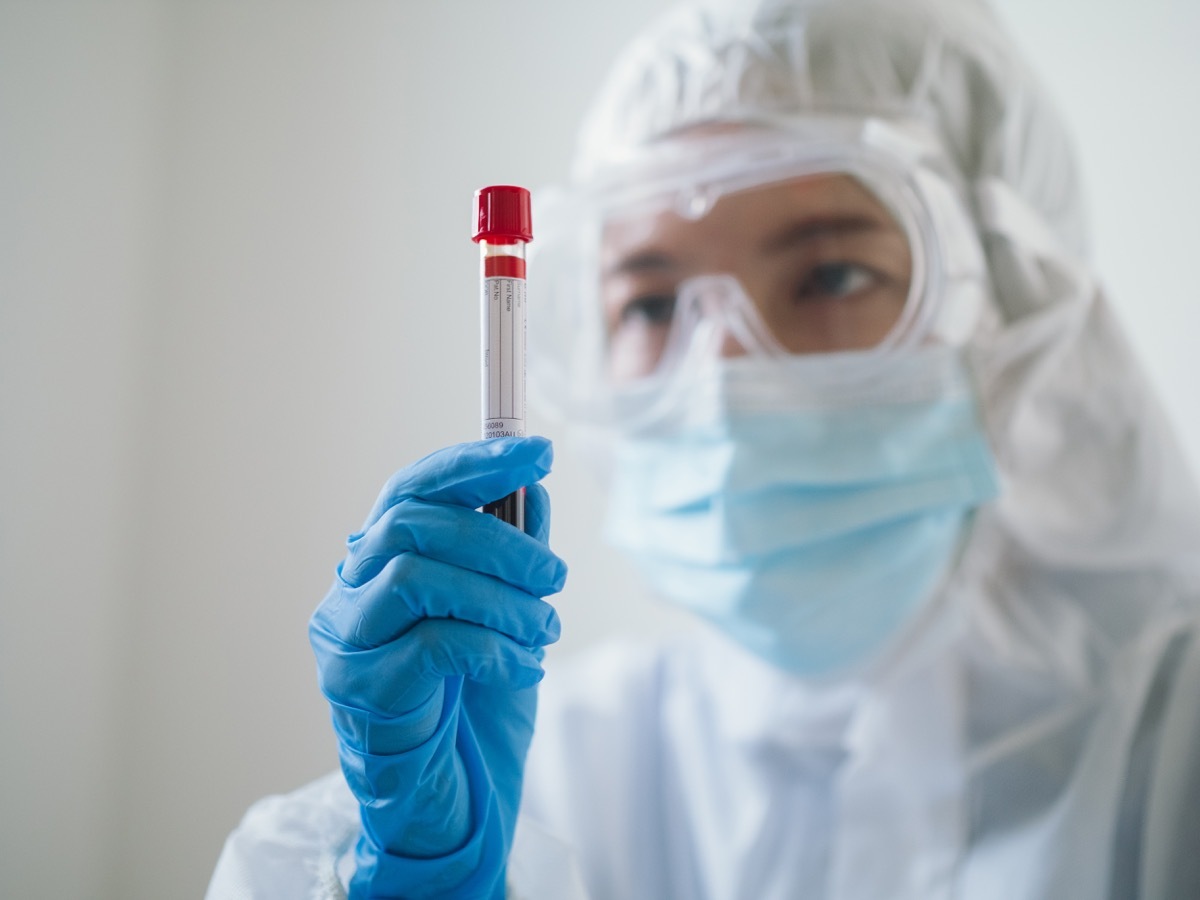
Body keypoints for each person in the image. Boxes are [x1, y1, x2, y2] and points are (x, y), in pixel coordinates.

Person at [206, 0, 1200, 897]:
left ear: (1012, 315)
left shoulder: (1169, 755)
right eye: (650, 300)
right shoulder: (552, 770)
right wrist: (421, 881)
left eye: (833, 274)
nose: (718, 374)